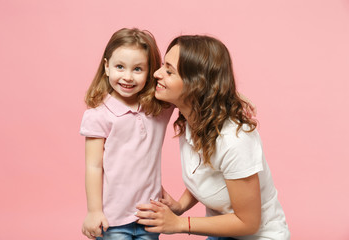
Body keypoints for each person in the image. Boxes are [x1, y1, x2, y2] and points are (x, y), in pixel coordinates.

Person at [136, 35, 290, 240]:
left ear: (195, 85)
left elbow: (248, 222)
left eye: (169, 71)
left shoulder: (235, 141)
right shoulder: (191, 118)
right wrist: (180, 206)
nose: (156, 73)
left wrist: (180, 224)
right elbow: (210, 176)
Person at [79, 28, 173, 240]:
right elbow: (93, 166)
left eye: (138, 69)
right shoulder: (99, 115)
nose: (128, 77)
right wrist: (94, 212)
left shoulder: (158, 109)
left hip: (149, 217)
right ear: (106, 67)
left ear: (150, 72)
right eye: (120, 67)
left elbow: (190, 89)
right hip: (113, 220)